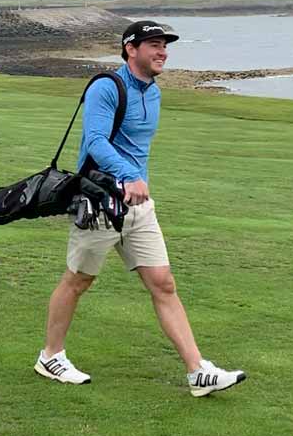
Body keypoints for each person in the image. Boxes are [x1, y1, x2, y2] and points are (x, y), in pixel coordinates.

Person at [34, 20, 247, 397]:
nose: (162, 51)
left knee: (163, 283)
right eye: (153, 44)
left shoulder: (154, 92)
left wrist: (137, 183)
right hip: (101, 201)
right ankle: (50, 356)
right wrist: (129, 176)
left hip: (138, 204)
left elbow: (137, 146)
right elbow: (96, 141)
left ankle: (197, 370)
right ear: (130, 49)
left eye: (165, 45)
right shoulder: (106, 87)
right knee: (78, 280)